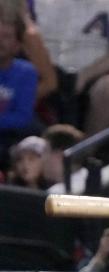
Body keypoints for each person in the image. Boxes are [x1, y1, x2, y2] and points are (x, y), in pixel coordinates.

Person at [30, 0, 109, 136]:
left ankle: (85, 151)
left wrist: (85, 75)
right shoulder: (36, 3)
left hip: (92, 74)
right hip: (44, 70)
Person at [0, 9, 38, 171]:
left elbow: (23, 117)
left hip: (9, 139)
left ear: (17, 45)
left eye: (6, 37)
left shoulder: (26, 72)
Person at [41, 123, 86, 193]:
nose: (42, 158)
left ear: (59, 155)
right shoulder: (91, 178)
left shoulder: (56, 193)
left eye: (45, 151)